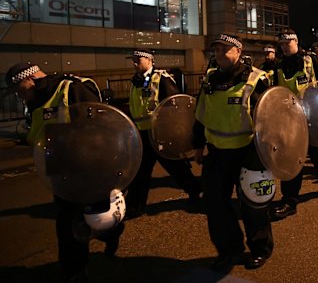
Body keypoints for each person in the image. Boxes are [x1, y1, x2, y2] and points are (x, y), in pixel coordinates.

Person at [3, 62, 125, 283]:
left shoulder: (72, 89)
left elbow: (102, 129)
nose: (21, 97)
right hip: (61, 173)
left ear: (30, 79)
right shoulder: (34, 102)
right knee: (68, 225)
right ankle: (74, 272)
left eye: (20, 90)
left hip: (89, 170)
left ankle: (111, 233)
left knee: (100, 218)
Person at [193, 33, 273, 272]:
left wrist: (269, 153)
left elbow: (270, 118)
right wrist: (198, 145)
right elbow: (200, 114)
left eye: (225, 50)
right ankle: (229, 250)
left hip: (248, 152)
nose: (218, 54)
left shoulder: (256, 79)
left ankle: (260, 249)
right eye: (216, 50)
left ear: (238, 52)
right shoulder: (209, 79)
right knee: (215, 205)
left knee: (253, 205)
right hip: (216, 153)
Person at [270, 29, 318, 221]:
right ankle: (290, 201)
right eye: (281, 44)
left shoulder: (311, 61)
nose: (283, 47)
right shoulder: (279, 65)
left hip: (312, 117)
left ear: (296, 42)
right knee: (291, 159)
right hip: (291, 120)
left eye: (287, 43)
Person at [125, 49, 201, 218]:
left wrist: (172, 131)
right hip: (142, 134)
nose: (135, 62)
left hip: (159, 134)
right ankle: (135, 206)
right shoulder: (135, 81)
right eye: (133, 59)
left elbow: (174, 105)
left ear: (150, 60)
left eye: (138, 59)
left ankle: (196, 191)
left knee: (176, 167)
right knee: (140, 171)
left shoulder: (162, 79)